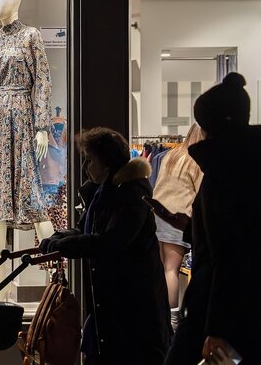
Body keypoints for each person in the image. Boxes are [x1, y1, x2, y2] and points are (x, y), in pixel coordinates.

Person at [162, 73, 261, 365]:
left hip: (220, 307)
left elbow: (229, 256)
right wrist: (194, 227)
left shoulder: (224, 177)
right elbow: (244, 238)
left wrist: (215, 328)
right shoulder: (258, 171)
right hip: (255, 301)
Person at [40, 127, 171, 364]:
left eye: (90, 160)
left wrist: (65, 244)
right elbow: (87, 230)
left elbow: (110, 242)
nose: (85, 166)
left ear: (107, 163)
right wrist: (59, 238)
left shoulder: (131, 195)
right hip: (114, 306)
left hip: (133, 311)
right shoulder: (105, 192)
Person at [151, 123, 205, 328]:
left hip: (158, 215)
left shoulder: (170, 156)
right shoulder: (196, 161)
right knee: (171, 270)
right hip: (178, 217)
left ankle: (161, 314)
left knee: (161, 268)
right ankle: (173, 317)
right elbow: (201, 194)